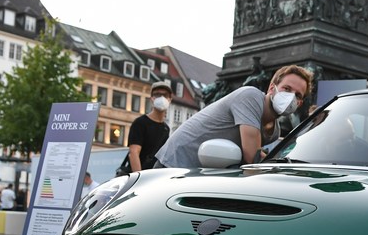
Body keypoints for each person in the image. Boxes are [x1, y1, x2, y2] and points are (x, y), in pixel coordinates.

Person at [155, 65, 312, 169]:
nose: (290, 97)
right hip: (172, 165)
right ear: (272, 88)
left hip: (199, 175)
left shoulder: (274, 132)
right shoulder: (250, 96)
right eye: (286, 88)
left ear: (300, 103)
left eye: (297, 95)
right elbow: (252, 158)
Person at [128, 81, 173, 172]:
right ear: (152, 98)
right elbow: (134, 153)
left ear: (170, 99)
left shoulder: (165, 128)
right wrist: (139, 178)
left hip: (153, 177)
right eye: (157, 94)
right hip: (140, 177)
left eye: (165, 95)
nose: (161, 98)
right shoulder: (140, 123)